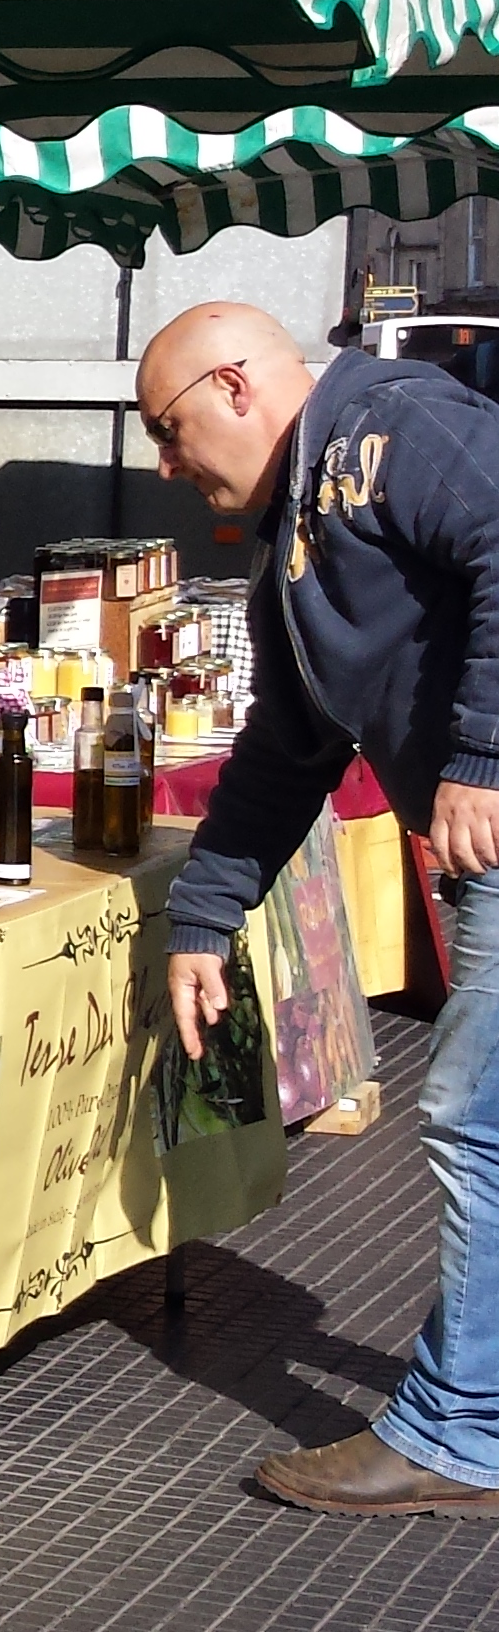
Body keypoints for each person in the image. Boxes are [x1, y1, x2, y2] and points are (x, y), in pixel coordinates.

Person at [137, 300, 499, 1514]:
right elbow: (287, 750)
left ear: (235, 387)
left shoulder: (389, 425)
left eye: (168, 428)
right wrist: (204, 917)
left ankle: (460, 1432)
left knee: (476, 1118)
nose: (165, 463)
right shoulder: (297, 534)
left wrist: (484, 756)